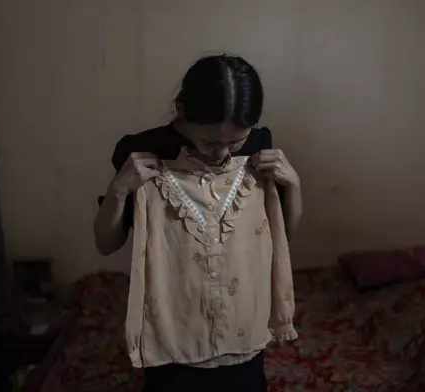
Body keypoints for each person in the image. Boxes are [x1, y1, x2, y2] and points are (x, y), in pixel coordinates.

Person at [93, 54, 302, 392]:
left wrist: (292, 184)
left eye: (234, 142)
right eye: (210, 141)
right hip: (174, 336)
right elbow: (105, 242)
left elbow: (284, 236)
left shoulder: (259, 145)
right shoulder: (142, 151)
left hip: (242, 334)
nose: (222, 153)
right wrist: (118, 191)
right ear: (182, 111)